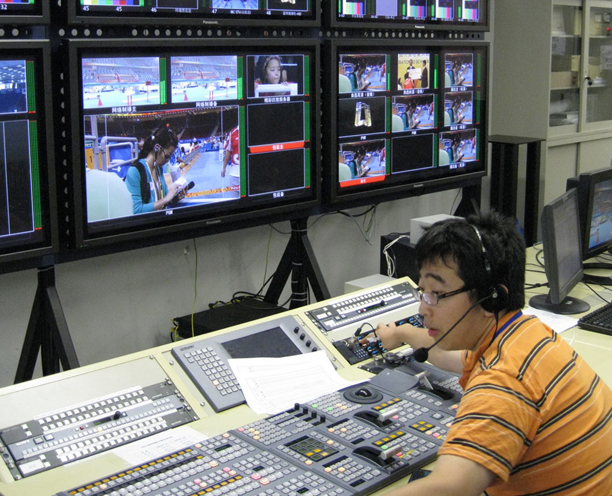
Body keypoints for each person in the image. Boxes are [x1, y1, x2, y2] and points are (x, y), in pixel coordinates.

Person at [373, 212, 612, 496]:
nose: (423, 309)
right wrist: (401, 333)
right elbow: (450, 355)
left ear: (491, 298)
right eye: (422, 291)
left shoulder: (503, 380)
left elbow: (451, 487)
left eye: (436, 294)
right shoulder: (526, 335)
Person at [124, 127, 180, 213]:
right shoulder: (135, 171)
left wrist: (175, 197)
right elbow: (136, 210)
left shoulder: (159, 169)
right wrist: (166, 199)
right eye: (167, 156)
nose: (167, 160)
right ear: (157, 148)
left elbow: (163, 200)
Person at [221, 125, 240, 198]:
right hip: (235, 173)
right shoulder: (232, 132)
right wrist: (224, 168)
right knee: (235, 199)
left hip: (249, 173)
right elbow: (228, 151)